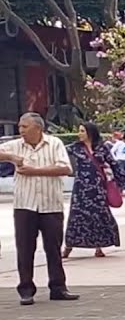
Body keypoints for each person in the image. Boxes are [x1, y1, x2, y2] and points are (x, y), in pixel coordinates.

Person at [0, 113, 77, 305]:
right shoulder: (16, 145)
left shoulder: (54, 143)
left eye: (25, 127)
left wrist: (35, 171)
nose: (21, 131)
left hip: (51, 204)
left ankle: (58, 287)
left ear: (38, 128)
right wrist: (10, 157)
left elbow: (65, 169)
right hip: (24, 205)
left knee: (53, 247)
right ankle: (26, 288)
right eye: (20, 127)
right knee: (25, 248)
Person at [63, 121, 123, 259]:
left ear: (90, 133)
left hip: (98, 188)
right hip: (81, 189)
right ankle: (68, 246)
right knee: (77, 217)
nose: (79, 134)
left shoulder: (102, 149)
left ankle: (98, 247)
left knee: (99, 216)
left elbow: (114, 165)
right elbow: (57, 153)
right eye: (79, 131)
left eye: (82, 131)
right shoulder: (75, 148)